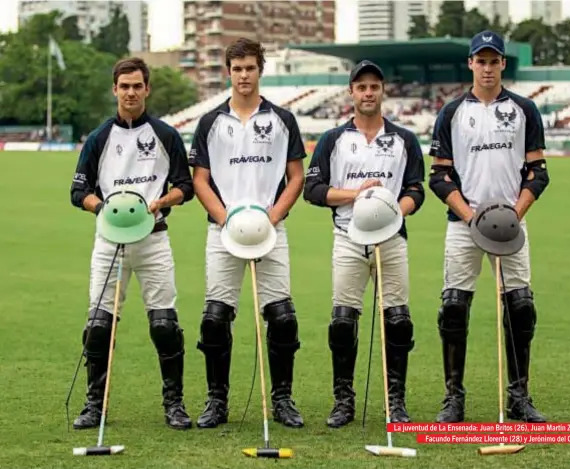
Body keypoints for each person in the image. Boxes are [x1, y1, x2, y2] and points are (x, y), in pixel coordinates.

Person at [428, 30, 550, 423]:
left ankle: (519, 396)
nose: (486, 67)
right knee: (453, 308)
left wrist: (514, 213)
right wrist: (471, 216)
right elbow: (440, 177)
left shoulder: (524, 109)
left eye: (493, 60)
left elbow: (538, 172)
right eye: (480, 60)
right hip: (463, 224)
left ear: (502, 64)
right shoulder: (451, 113)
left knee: (521, 306)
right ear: (470, 64)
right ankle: (453, 397)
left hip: (512, 224)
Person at [69, 57, 195, 430]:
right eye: (124, 86)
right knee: (98, 324)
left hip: (153, 239)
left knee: (164, 324)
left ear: (147, 89)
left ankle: (175, 403)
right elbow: (79, 190)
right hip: (110, 240)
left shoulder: (165, 135)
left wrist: (162, 202)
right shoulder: (98, 138)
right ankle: (96, 404)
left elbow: (184, 186)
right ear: (115, 90)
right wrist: (103, 206)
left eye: (137, 85)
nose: (131, 92)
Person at [188, 38, 306, 429]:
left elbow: (296, 176)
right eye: (236, 69)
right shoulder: (210, 122)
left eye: (250, 68)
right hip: (223, 232)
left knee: (283, 317)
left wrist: (272, 216)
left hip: (271, 230)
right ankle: (216, 401)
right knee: (215, 318)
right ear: (228, 72)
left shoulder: (282, 120)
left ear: (260, 70)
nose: (243, 75)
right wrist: (226, 219)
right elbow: (200, 180)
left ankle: (283, 399)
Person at [303, 60, 426, 428]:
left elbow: (416, 190)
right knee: (343, 322)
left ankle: (396, 401)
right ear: (351, 92)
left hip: (391, 239)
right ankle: (344, 400)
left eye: (374, 86)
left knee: (398, 320)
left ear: (382, 91)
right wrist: (357, 195)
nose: (368, 93)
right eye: (361, 87)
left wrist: (393, 210)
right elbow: (313, 189)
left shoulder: (404, 139)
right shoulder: (332, 139)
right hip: (347, 237)